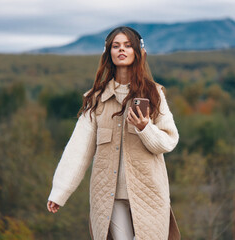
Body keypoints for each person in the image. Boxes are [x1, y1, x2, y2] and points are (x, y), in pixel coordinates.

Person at [46, 26, 181, 240]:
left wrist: (145, 127)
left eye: (128, 46)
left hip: (149, 194)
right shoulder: (95, 99)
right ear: (108, 53)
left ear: (138, 52)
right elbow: (77, 149)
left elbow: (168, 141)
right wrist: (60, 192)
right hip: (109, 197)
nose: (122, 50)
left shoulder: (154, 93)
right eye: (116, 46)